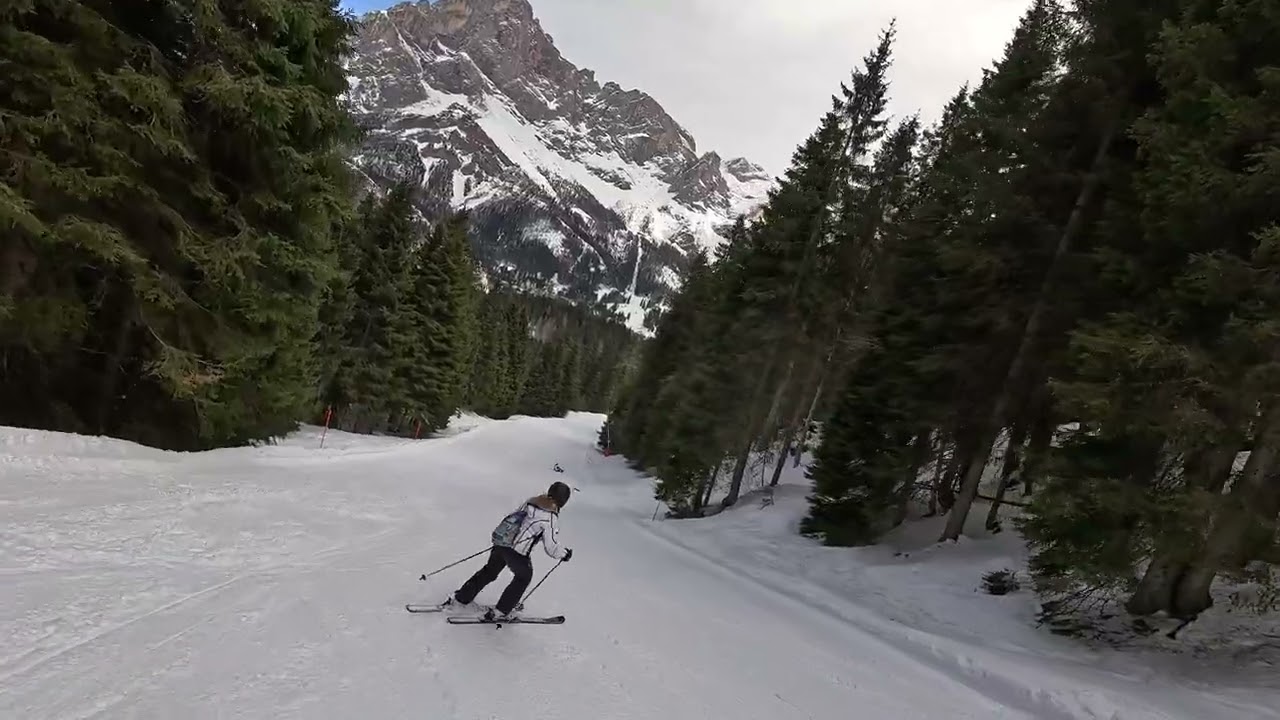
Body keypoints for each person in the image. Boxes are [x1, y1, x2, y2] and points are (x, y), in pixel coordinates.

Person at [445, 481, 573, 620]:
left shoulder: (531, 502)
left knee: (490, 571)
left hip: (502, 542)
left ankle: (461, 598)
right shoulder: (550, 518)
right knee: (523, 577)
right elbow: (551, 548)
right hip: (517, 552)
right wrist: (564, 554)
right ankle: (500, 611)